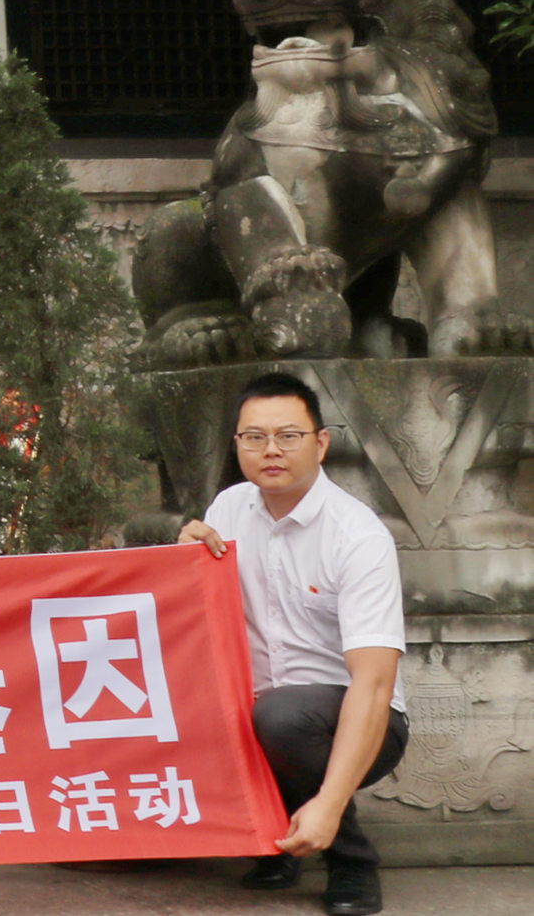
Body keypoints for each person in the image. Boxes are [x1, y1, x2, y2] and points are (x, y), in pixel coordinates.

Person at [179, 374, 408, 916]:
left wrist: (330, 802)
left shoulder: (358, 536)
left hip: (357, 718)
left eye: (288, 436)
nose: (271, 451)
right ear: (236, 444)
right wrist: (180, 560)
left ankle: (351, 859)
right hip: (254, 711)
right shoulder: (228, 510)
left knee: (282, 716)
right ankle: (275, 840)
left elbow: (375, 685)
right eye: (254, 437)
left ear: (321, 443)